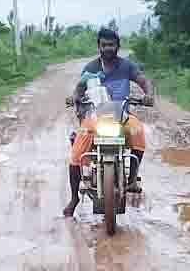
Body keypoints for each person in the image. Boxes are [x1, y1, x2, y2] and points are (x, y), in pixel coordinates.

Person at [65, 27, 155, 216]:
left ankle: (131, 179)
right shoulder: (90, 69)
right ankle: (73, 198)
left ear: (117, 46)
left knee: (138, 131)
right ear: (99, 46)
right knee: (75, 155)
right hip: (95, 118)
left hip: (121, 115)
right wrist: (74, 97)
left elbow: (143, 80)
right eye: (104, 45)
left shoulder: (127, 66)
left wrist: (148, 94)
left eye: (111, 45)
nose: (108, 48)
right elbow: (79, 89)